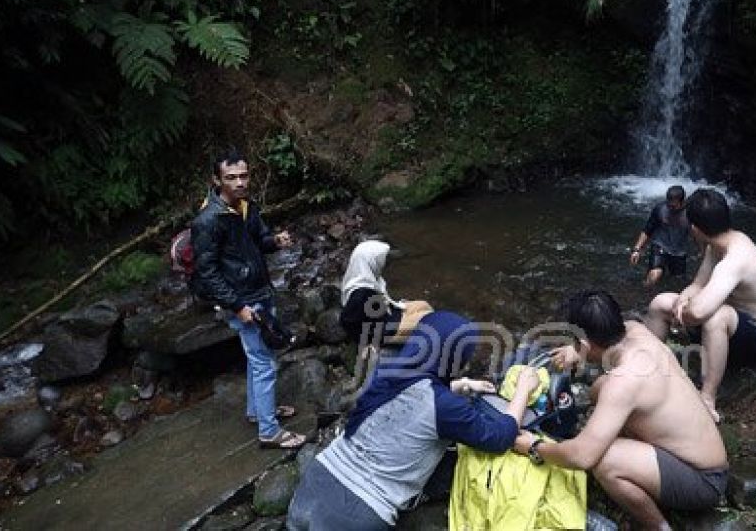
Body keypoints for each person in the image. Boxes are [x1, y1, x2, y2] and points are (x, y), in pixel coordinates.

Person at [287, 310, 540, 530]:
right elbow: (500, 437)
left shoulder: (388, 371)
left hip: (314, 484)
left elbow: (414, 397)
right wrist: (522, 392)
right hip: (360, 511)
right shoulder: (445, 408)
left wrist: (461, 385)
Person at [526, 291, 728, 530]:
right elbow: (606, 378)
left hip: (703, 481)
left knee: (604, 461)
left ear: (584, 344)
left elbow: (581, 456)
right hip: (696, 454)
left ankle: (660, 527)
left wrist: (534, 446)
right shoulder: (635, 331)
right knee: (599, 388)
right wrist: (578, 350)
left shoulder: (623, 382)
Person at [191, 149, 306, 449]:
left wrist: (275, 242)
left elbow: (258, 240)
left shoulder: (245, 208)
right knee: (264, 362)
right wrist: (237, 306)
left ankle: (258, 412)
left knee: (258, 359)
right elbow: (208, 273)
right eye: (231, 178)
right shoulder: (208, 221)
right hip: (242, 299)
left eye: (244, 176)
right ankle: (269, 431)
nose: (240, 182)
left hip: (259, 290)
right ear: (217, 181)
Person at [645, 188, 756, 423]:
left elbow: (699, 312)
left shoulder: (735, 258)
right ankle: (648, 370)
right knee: (660, 303)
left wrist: (687, 310)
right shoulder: (716, 246)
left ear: (695, 229)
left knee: (717, 316)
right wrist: (682, 300)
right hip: (729, 328)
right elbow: (698, 284)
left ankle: (708, 398)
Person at [339, 239, 432, 346]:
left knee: (423, 305)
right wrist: (367, 340)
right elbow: (346, 320)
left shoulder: (370, 277)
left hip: (389, 315)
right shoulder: (361, 292)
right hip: (387, 331)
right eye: (381, 259)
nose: (385, 263)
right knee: (430, 319)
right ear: (371, 261)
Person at [630, 185, 690, 288]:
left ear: (682, 202)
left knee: (678, 281)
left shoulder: (690, 213)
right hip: (660, 245)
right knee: (655, 274)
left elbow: (698, 235)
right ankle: (645, 290)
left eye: (673, 206)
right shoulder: (660, 209)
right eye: (669, 205)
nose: (670, 208)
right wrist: (637, 249)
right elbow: (648, 229)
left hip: (679, 251)